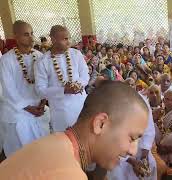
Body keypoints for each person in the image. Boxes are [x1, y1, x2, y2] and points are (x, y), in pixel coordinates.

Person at [0, 81, 149, 179]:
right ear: (100, 124)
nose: (133, 151)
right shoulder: (67, 173)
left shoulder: (57, 142)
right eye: (132, 138)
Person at [0, 20, 49, 157]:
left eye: (32, 33)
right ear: (15, 36)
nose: (31, 37)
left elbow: (46, 83)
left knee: (42, 152)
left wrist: (43, 102)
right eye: (26, 34)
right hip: (17, 111)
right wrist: (28, 108)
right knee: (21, 155)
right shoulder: (6, 61)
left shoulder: (40, 57)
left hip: (39, 109)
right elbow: (9, 91)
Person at [35, 25, 89, 132]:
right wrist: (63, 90)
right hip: (61, 112)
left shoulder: (76, 54)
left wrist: (79, 85)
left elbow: (85, 75)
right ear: (53, 39)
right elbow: (40, 90)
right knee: (67, 144)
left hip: (82, 106)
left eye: (68, 38)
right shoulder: (42, 62)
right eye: (65, 39)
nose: (69, 42)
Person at [107, 88, 156, 180]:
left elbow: (149, 131)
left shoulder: (142, 104)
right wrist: (133, 162)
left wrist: (144, 157)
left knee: (151, 164)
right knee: (117, 174)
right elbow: (112, 145)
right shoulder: (113, 111)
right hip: (117, 155)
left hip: (139, 150)